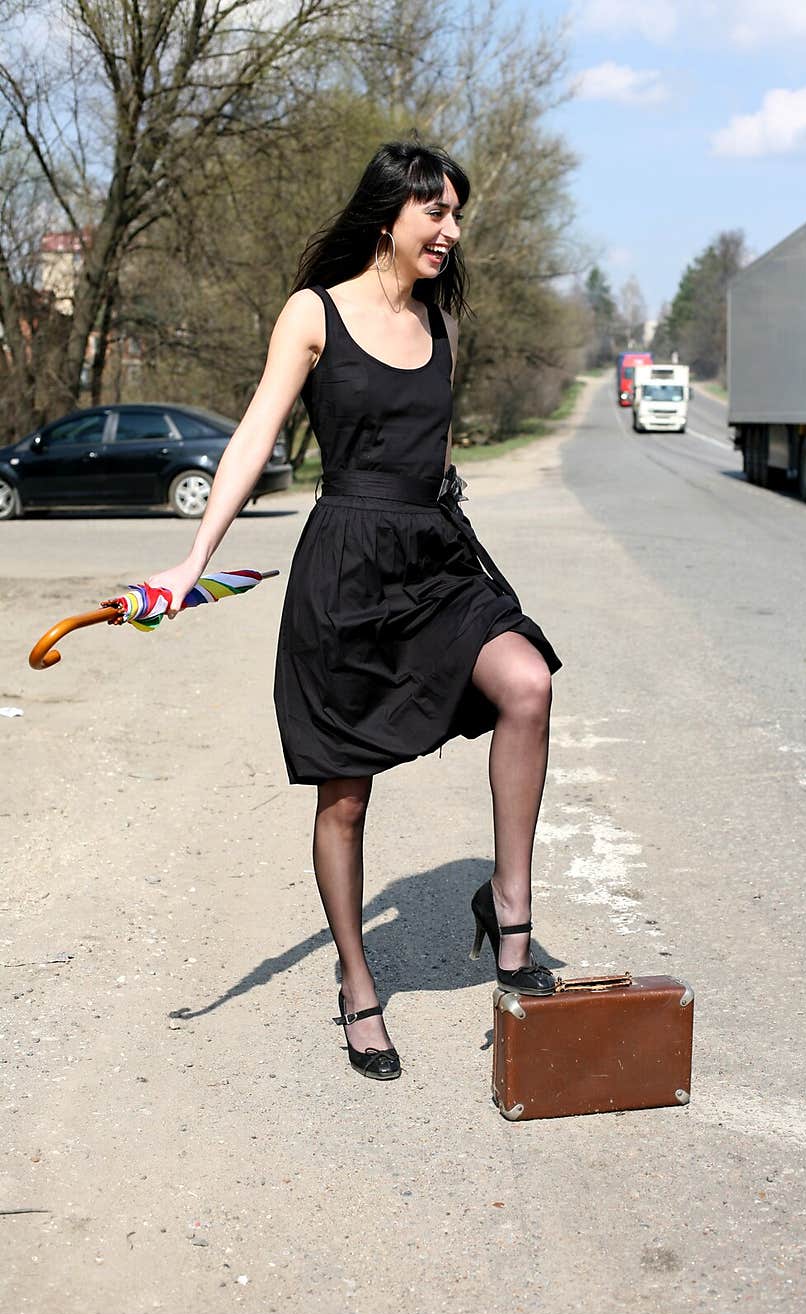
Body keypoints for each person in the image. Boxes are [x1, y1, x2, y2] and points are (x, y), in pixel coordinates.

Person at [147, 139, 562, 1082]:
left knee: (527, 683)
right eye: (439, 214)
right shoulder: (315, 313)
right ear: (392, 213)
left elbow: (435, 454)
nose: (452, 232)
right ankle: (358, 981)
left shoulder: (442, 329)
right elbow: (257, 433)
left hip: (434, 556)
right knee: (345, 794)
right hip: (346, 572)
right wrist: (192, 559)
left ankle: (509, 913)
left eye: (457, 215)